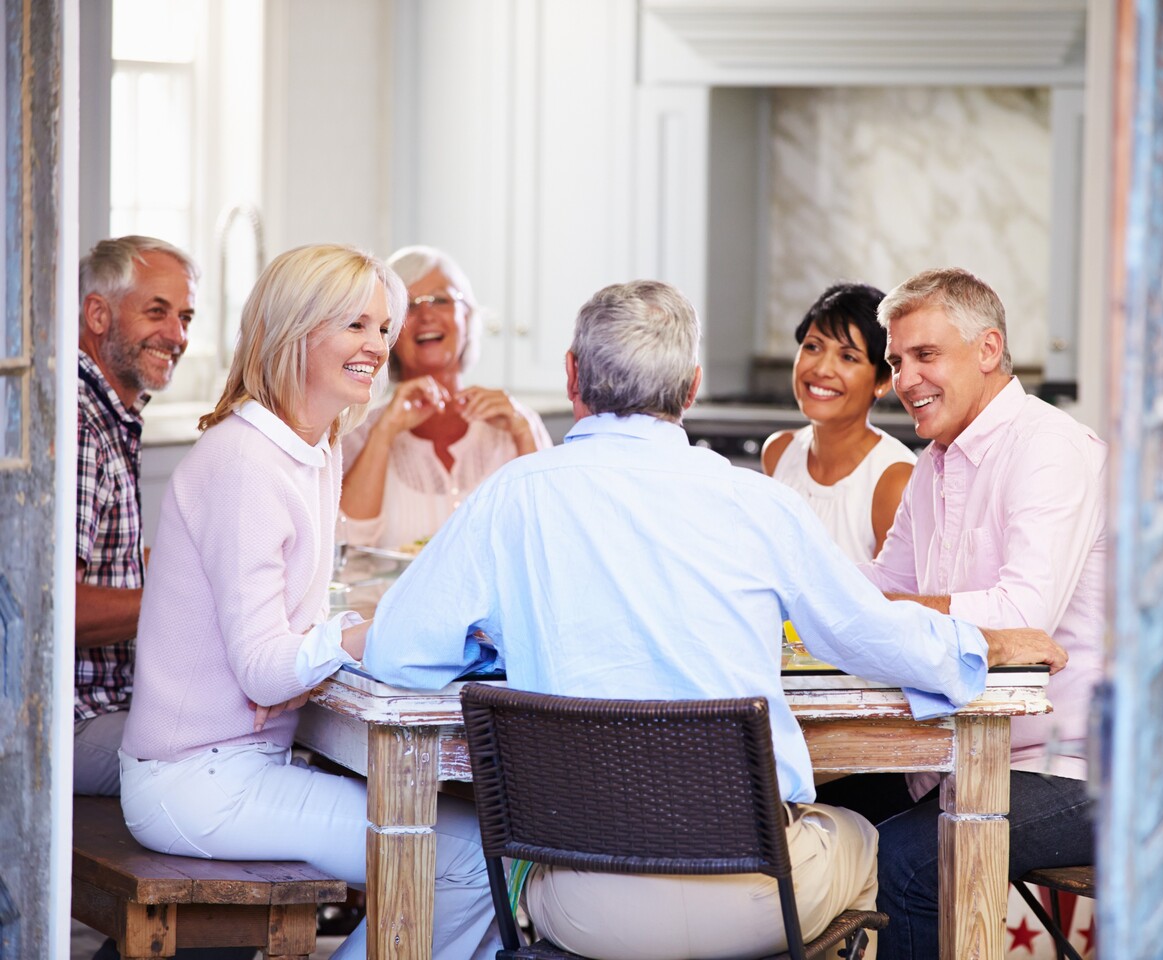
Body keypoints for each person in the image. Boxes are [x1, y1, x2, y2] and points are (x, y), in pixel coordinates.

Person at [363, 279, 1069, 960]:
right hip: (760, 900)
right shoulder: (757, 504)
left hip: (581, 906)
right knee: (868, 838)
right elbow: (876, 636)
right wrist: (978, 644)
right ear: (693, 386)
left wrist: (500, 654)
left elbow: (396, 653)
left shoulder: (508, 498)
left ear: (573, 375)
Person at [119, 244, 499, 960]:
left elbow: (279, 649)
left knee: (476, 852)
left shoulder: (314, 449)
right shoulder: (247, 462)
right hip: (196, 780)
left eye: (382, 328)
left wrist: (305, 656)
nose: (378, 346)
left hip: (242, 761)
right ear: (297, 331)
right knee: (472, 862)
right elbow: (266, 669)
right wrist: (361, 633)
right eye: (356, 325)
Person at [858, 267, 1106, 960]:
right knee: (814, 818)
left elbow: (1020, 617)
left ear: (989, 349)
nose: (904, 380)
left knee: (904, 861)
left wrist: (876, 606)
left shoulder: (1048, 448)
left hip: (1074, 768)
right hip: (957, 757)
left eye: (924, 356)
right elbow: (883, 583)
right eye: (897, 361)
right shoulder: (933, 463)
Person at [74, 235, 198, 797]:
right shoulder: (78, 424)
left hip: (110, 703)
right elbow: (54, 609)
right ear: (98, 314)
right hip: (68, 721)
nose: (177, 336)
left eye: (186, 317)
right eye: (158, 312)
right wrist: (194, 601)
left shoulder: (110, 412)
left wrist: (204, 565)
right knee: (254, 749)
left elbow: (114, 566)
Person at [339, 245, 550, 552]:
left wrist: (522, 434)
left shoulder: (518, 423)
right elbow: (344, 544)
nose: (426, 315)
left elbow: (550, 536)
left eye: (440, 300)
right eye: (409, 306)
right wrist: (383, 435)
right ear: (388, 330)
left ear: (468, 317)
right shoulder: (358, 431)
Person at [762, 282, 915, 562]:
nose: (821, 369)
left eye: (847, 357)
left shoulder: (895, 480)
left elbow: (892, 601)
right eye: (812, 347)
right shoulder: (778, 451)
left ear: (883, 381)